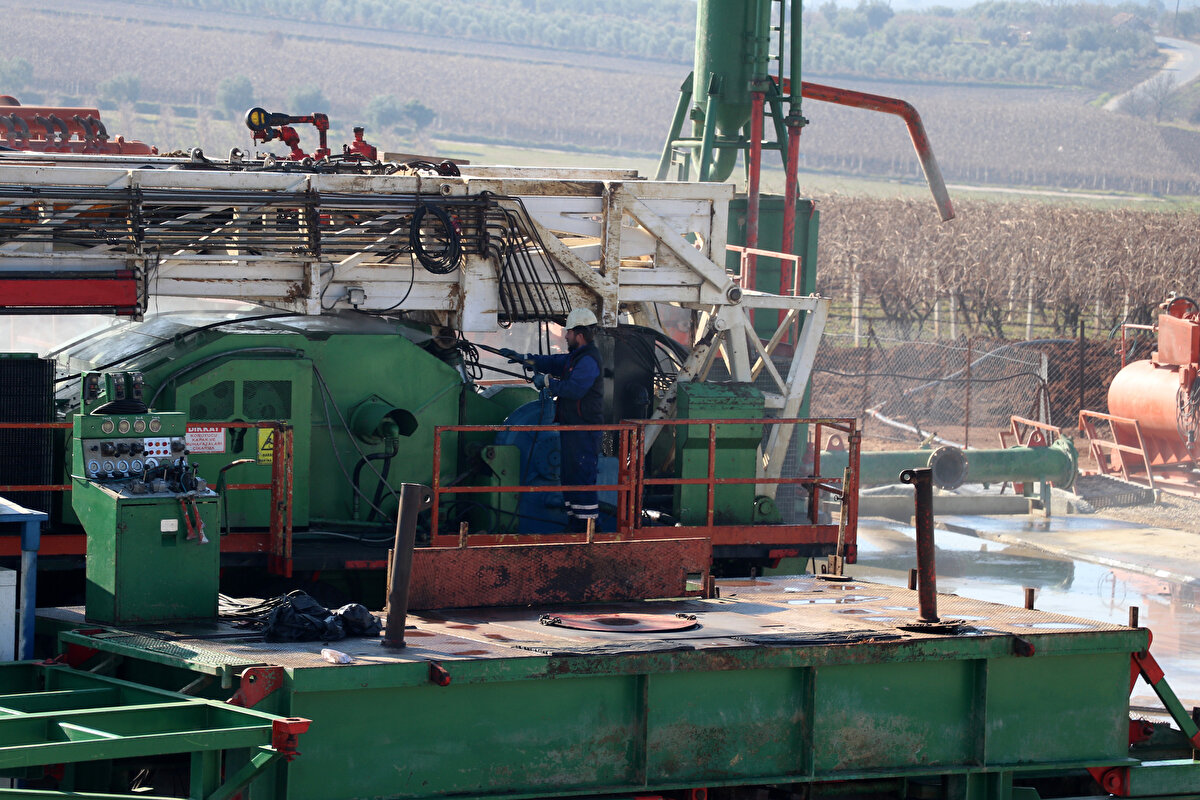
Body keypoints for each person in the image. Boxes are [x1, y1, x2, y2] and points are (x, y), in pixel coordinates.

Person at [499, 308, 604, 532]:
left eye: (568, 332)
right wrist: (525, 359)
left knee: (581, 477)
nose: (565, 336)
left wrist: (548, 382)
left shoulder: (588, 360)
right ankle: (576, 524)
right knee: (570, 476)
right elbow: (555, 362)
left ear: (579, 335)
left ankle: (589, 529)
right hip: (573, 428)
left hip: (584, 430)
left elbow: (574, 389)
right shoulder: (576, 358)